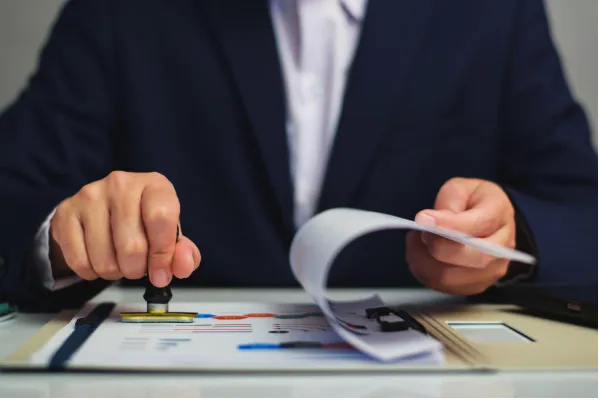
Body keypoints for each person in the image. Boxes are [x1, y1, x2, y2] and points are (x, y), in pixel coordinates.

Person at [0, 0, 596, 312]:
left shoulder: (494, 9)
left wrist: (513, 241)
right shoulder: (121, 10)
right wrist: (61, 238)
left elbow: (584, 214)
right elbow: (12, 192)